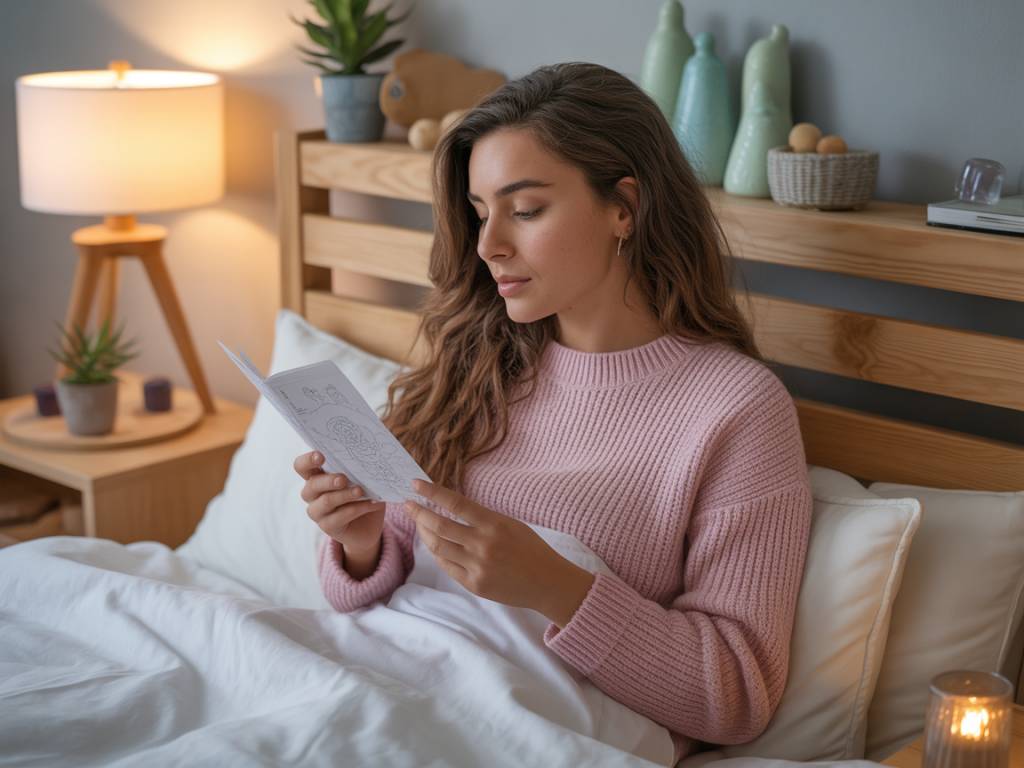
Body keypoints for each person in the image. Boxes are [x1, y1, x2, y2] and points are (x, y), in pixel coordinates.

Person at [293, 61, 812, 763]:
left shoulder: (735, 409)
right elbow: (368, 593)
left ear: (623, 206)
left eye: (526, 210)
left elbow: (738, 694)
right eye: (479, 213)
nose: (488, 246)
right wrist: (359, 543)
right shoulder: (476, 365)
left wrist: (556, 588)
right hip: (371, 681)